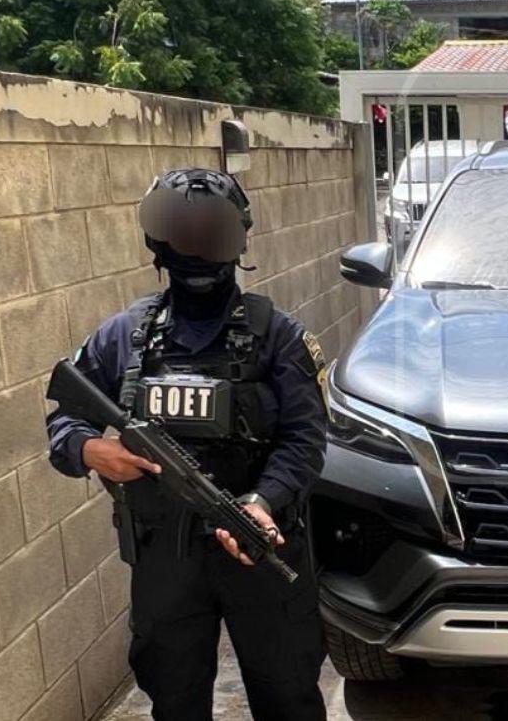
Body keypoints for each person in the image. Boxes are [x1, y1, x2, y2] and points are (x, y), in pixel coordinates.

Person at [46, 168, 329, 721]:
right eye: (183, 236)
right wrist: (91, 451)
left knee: (289, 697)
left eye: (209, 236)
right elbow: (64, 424)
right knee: (174, 703)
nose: (196, 253)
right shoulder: (124, 335)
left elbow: (306, 439)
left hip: (258, 547)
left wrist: (263, 499)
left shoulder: (279, 335)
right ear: (158, 243)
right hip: (164, 560)